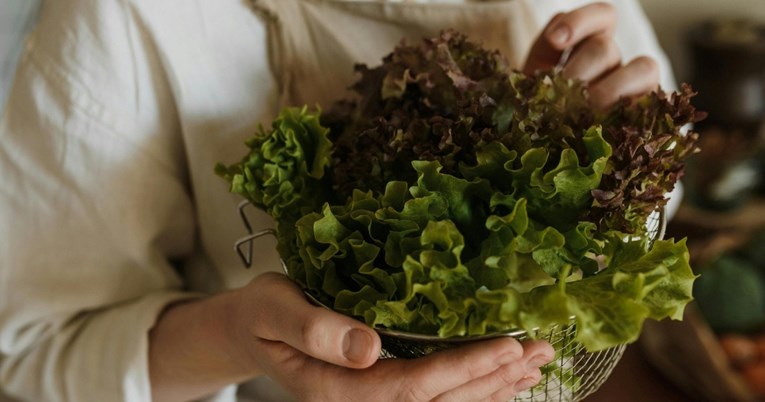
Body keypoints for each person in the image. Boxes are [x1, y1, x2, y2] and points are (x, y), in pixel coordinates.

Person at [0, 0, 673, 401]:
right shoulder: (124, 18)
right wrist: (237, 340)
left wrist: (576, 142)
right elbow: (32, 354)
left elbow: (658, 198)